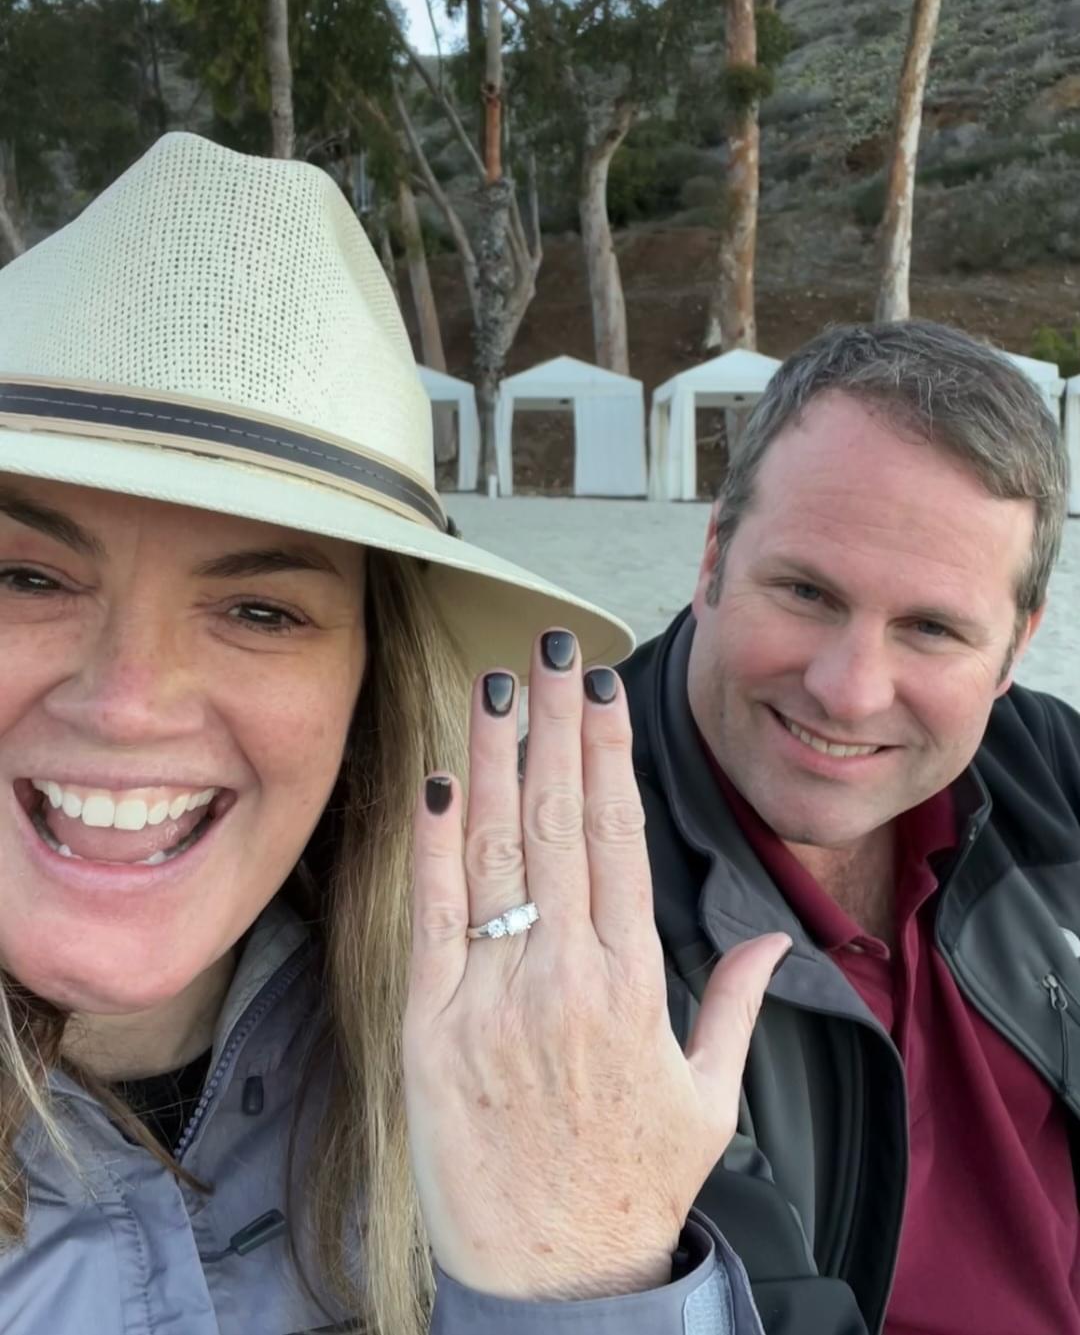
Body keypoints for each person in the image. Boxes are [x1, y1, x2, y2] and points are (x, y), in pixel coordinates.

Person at [0, 131, 789, 1335]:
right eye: (23, 577)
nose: (127, 701)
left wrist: (582, 1271)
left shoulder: (544, 1072)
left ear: (371, 683)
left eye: (260, 610)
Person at [621, 320, 1079, 1335]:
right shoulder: (566, 865)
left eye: (932, 628)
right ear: (713, 557)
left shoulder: (1044, 769)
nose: (850, 690)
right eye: (806, 591)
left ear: (1016, 647)